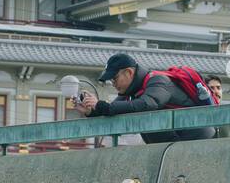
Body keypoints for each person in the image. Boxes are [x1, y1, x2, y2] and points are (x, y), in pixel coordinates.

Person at [76, 53, 215, 143]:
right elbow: (112, 109)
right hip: (174, 144)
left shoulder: (158, 81)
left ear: (129, 72)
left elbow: (148, 104)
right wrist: (91, 110)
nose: (113, 84)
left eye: (114, 79)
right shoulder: (132, 91)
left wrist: (102, 105)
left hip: (196, 141)